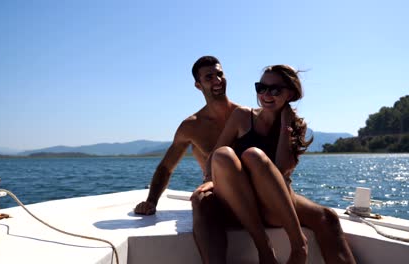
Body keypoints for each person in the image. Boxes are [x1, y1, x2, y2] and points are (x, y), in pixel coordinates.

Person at [196, 65, 356, 263]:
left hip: (273, 204)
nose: (266, 94)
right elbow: (215, 156)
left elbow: (280, 169)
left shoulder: (295, 126)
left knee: (328, 216)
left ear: (290, 93)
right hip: (240, 201)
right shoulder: (242, 116)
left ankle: (299, 246)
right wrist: (210, 179)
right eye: (261, 88)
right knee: (224, 155)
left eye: (275, 89)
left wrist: (285, 127)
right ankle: (266, 249)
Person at [134, 56, 239, 263]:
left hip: (247, 191)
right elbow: (166, 167)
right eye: (209, 77)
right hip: (217, 196)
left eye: (220, 74)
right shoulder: (191, 126)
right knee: (200, 200)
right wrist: (151, 201)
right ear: (198, 86)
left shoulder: (245, 115)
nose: (217, 80)